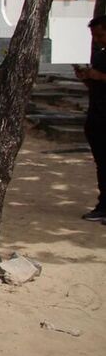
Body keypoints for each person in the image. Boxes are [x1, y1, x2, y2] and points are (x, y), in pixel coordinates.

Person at [75, 15, 106, 222]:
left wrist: (100, 76)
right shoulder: (99, 56)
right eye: (94, 36)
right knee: (102, 164)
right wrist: (86, 77)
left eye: (100, 35)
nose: (97, 39)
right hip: (97, 115)